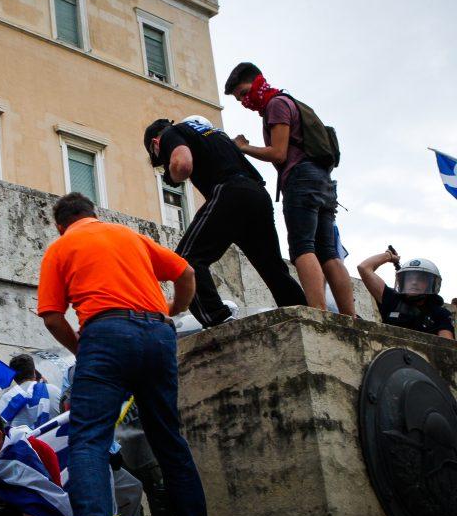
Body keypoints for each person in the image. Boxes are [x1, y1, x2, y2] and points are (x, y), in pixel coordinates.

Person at [37, 192, 214, 516]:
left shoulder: (61, 246)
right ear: (93, 213)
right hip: (158, 334)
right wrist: (172, 310)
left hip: (105, 332)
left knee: (89, 436)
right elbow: (186, 273)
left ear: (60, 225)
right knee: (169, 440)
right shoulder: (130, 236)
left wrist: (81, 350)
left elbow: (53, 317)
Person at [143, 117, 306, 327]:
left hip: (230, 192)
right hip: (257, 194)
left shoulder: (170, 134)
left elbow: (182, 165)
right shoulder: (216, 134)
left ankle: (217, 319)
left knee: (185, 261)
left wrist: (172, 176)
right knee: (272, 266)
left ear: (155, 144)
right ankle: (301, 315)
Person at [224, 62, 355, 316]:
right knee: (328, 252)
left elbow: (279, 153)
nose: (244, 102)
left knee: (302, 246)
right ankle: (349, 316)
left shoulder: (276, 105)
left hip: (301, 180)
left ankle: (318, 313)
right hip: (323, 181)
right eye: (239, 99)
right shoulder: (289, 101)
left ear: (257, 81)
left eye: (244, 93)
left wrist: (243, 148)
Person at [357, 251, 454, 339]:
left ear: (431, 284)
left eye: (420, 279)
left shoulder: (440, 313)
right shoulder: (392, 299)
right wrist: (389, 256)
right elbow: (364, 268)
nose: (414, 282)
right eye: (409, 278)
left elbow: (446, 345)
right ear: (402, 282)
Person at [0, 354, 62, 428]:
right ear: (34, 373)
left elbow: (0, 429)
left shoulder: (5, 400)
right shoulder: (55, 391)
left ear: (14, 377)